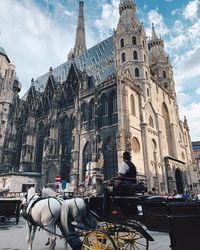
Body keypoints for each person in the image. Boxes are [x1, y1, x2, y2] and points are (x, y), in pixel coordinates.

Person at [103, 151, 137, 216]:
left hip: (124, 187)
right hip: (132, 186)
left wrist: (113, 178)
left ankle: (105, 213)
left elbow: (121, 176)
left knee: (106, 190)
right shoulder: (133, 165)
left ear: (124, 158)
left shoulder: (125, 164)